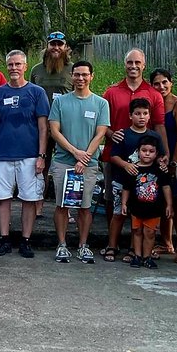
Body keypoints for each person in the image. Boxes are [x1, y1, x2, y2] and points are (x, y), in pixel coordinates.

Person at [0, 50, 50, 258]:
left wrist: (42, 155)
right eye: (10, 64)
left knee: (29, 198)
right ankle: (4, 239)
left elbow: (43, 127)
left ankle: (26, 240)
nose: (14, 68)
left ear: (25, 66)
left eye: (18, 64)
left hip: (30, 155)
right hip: (3, 155)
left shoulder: (37, 92)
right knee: (2, 198)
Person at [48, 61, 110, 264]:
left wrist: (85, 157)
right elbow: (55, 131)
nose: (80, 78)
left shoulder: (101, 103)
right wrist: (75, 153)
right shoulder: (60, 102)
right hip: (63, 161)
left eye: (84, 74)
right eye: (76, 75)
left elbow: (101, 132)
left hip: (89, 164)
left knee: (85, 207)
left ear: (92, 76)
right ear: (71, 76)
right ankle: (62, 244)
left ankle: (83, 245)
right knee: (62, 205)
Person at [104, 98, 167, 263]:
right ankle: (112, 246)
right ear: (130, 115)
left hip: (146, 185)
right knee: (118, 213)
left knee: (137, 217)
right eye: (138, 113)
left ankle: (135, 250)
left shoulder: (154, 136)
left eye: (145, 113)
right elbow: (113, 156)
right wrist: (126, 165)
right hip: (122, 181)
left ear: (149, 116)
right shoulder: (123, 134)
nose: (142, 117)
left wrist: (162, 163)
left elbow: (160, 156)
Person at [149, 68, 177, 262]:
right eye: (157, 83)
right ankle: (167, 242)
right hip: (158, 160)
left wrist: (174, 161)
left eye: (164, 82)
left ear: (171, 82)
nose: (161, 86)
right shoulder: (152, 104)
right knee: (162, 201)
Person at [118, 137, 173, 269]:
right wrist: (124, 203)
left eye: (151, 151)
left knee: (150, 233)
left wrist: (169, 205)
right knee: (137, 231)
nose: (147, 154)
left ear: (156, 153)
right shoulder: (133, 170)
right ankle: (137, 256)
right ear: (138, 151)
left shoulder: (160, 170)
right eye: (144, 150)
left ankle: (147, 257)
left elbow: (166, 187)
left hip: (154, 209)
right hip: (136, 208)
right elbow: (126, 188)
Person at [30, 31, 72, 103]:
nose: (56, 48)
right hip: (42, 113)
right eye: (52, 44)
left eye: (60, 44)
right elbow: (31, 96)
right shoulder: (36, 70)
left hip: (64, 113)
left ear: (65, 47)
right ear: (47, 46)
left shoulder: (73, 69)